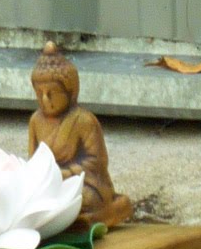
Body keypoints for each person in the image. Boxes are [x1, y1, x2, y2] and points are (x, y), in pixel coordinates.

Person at [29, 41, 132, 227]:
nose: (45, 99)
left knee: (84, 198)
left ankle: (86, 218)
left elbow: (96, 162)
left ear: (70, 92)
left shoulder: (83, 120)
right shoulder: (36, 121)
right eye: (39, 93)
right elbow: (34, 163)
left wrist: (65, 173)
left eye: (52, 93)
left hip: (82, 184)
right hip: (50, 186)